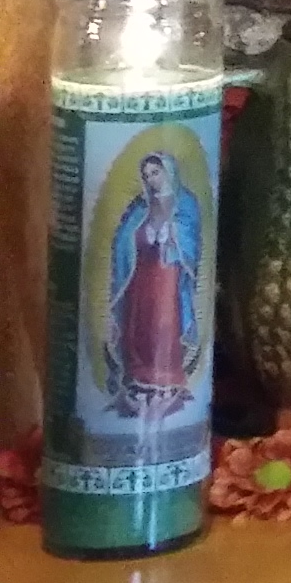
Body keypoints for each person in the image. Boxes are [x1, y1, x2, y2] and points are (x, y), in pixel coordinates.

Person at [106, 150, 199, 419]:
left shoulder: (185, 202)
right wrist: (141, 235)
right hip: (142, 272)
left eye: (155, 173)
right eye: (147, 175)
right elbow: (123, 237)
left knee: (165, 322)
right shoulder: (140, 205)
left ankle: (166, 379)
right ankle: (138, 378)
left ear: (167, 171)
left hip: (168, 272)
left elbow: (191, 236)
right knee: (139, 321)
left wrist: (173, 234)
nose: (151, 179)